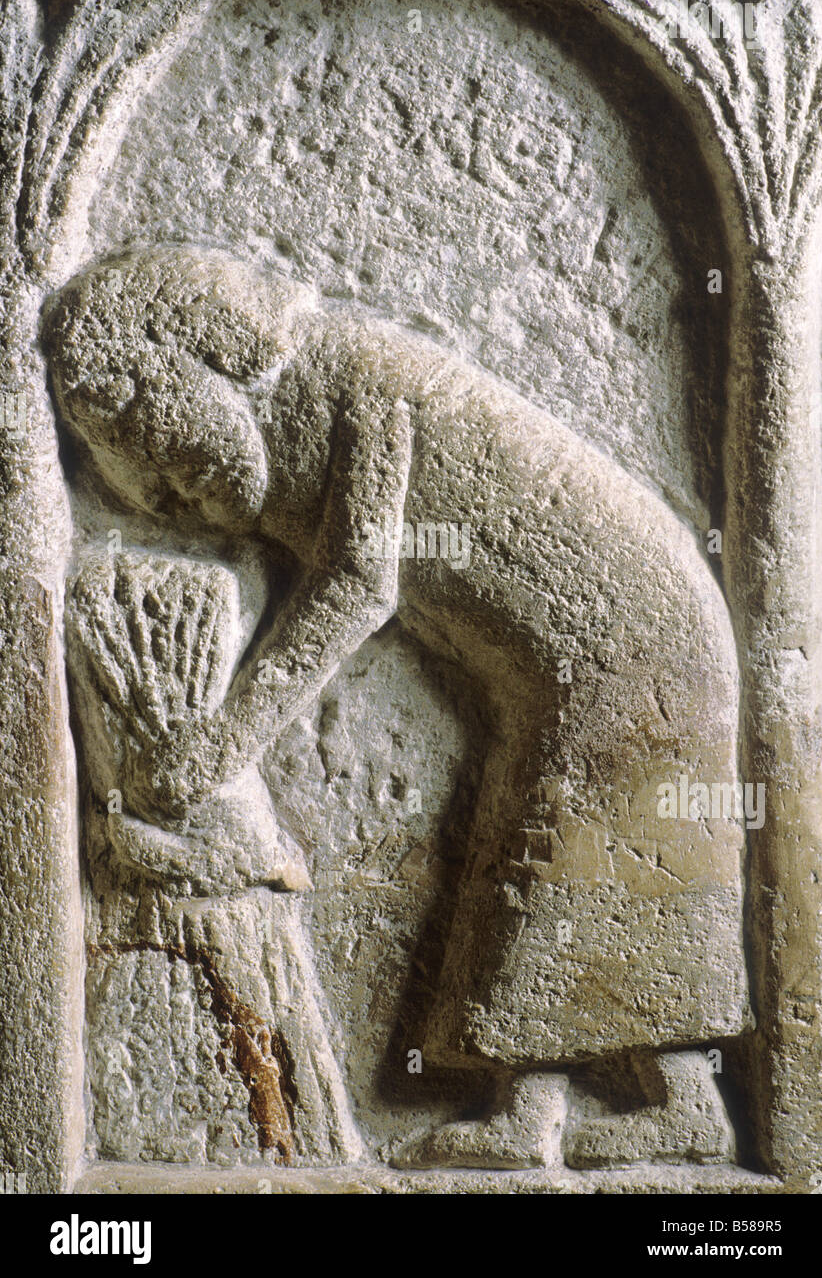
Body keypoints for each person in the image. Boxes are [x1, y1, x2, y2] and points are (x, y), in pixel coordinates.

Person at [44, 244, 747, 1168]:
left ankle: (654, 1110)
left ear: (209, 366)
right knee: (544, 840)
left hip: (638, 630)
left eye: (174, 459)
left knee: (568, 839)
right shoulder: (296, 432)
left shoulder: (358, 380)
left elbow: (357, 584)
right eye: (163, 493)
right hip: (597, 647)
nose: (182, 497)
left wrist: (225, 740)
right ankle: (553, 1113)